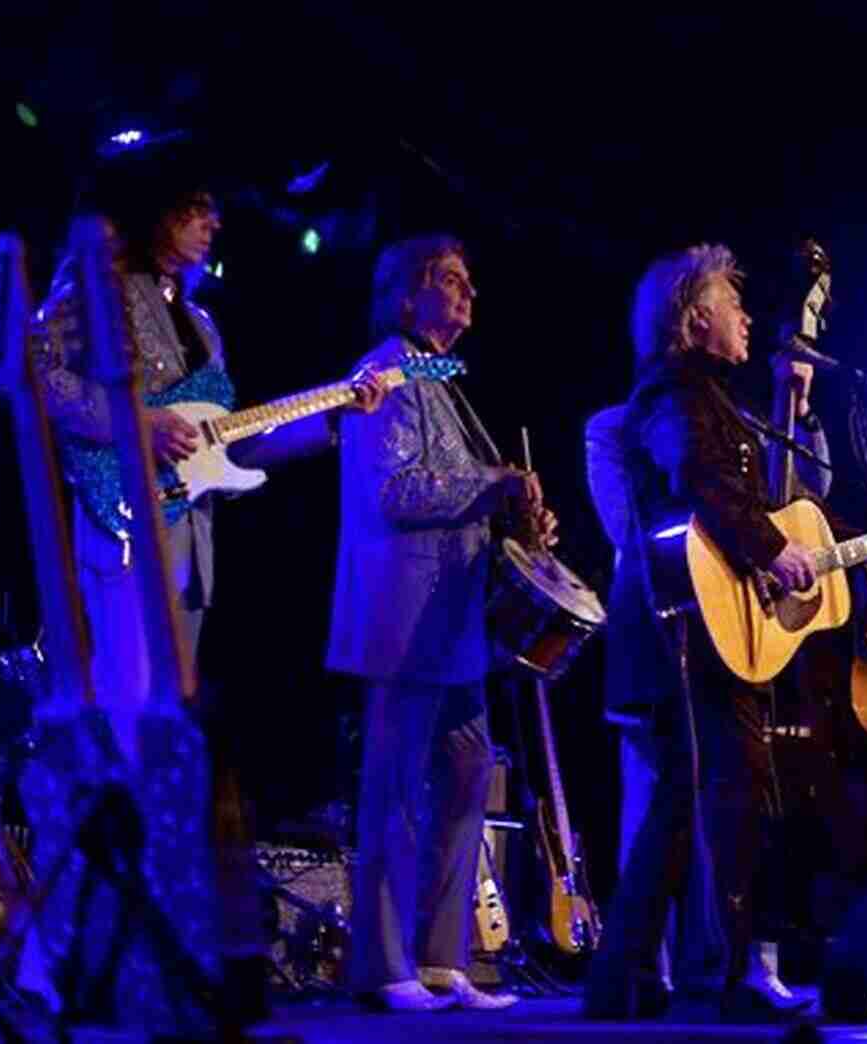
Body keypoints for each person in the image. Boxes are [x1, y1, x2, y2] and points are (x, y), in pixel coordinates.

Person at [22, 154, 383, 1033]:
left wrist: (334, 423)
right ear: (158, 215)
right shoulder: (96, 292)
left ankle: (139, 954)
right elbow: (41, 374)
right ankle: (55, 959)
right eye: (197, 209)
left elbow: (233, 451)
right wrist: (139, 423)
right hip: (120, 531)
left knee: (162, 744)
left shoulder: (206, 327)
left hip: (190, 546)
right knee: (118, 731)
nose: (213, 224)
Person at [583, 243, 838, 1022]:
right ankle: (722, 981)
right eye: (735, 305)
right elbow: (699, 482)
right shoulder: (674, 392)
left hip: (686, 631)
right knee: (736, 795)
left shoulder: (711, 397)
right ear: (696, 320)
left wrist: (798, 404)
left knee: (679, 806)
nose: (749, 318)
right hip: (685, 635)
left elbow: (780, 497)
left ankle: (620, 982)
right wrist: (768, 550)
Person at [327, 234, 555, 1012]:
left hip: (451, 621)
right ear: (406, 293)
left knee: (467, 774)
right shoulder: (384, 370)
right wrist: (492, 485)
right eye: (451, 281)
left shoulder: (442, 380)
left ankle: (439, 959)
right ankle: (382, 966)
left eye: (469, 282)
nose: (469, 296)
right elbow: (396, 491)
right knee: (394, 787)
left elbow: (464, 491)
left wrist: (519, 513)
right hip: (403, 614)